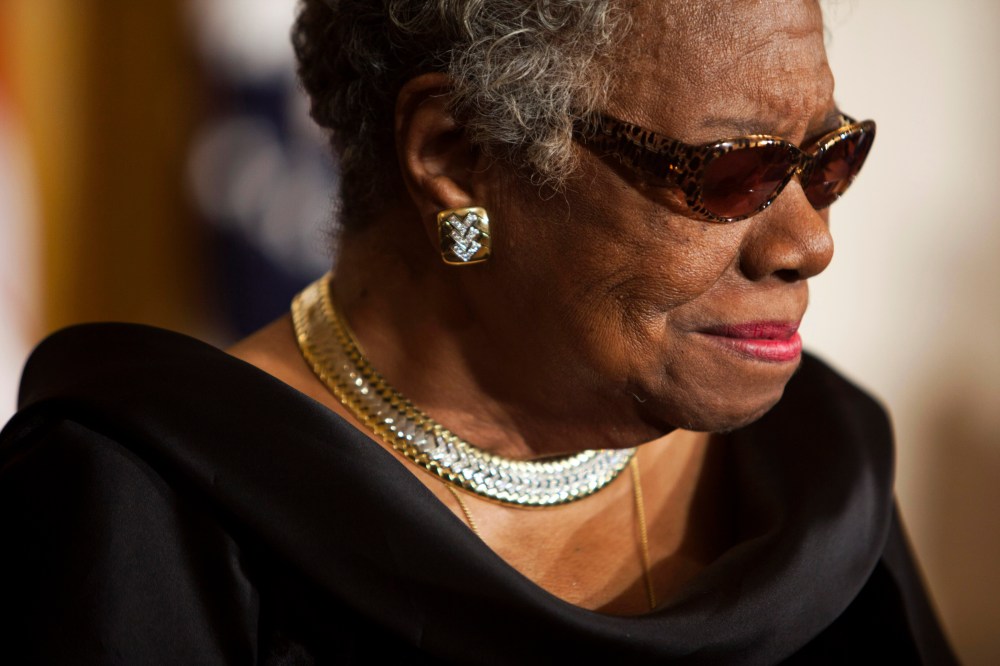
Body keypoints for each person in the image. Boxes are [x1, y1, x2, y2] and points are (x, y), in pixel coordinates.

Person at [0, 0, 957, 663]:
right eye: (731, 172)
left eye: (831, 158)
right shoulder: (146, 518)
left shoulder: (812, 475)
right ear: (456, 158)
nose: (810, 243)